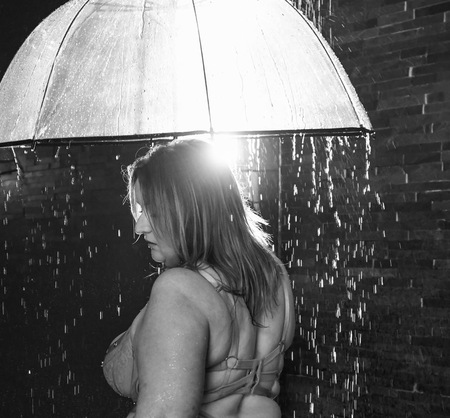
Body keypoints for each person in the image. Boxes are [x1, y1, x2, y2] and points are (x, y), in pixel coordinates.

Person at [103, 138, 295, 418]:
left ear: (190, 209)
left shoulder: (180, 290)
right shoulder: (275, 274)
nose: (139, 227)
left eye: (152, 211)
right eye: (141, 210)